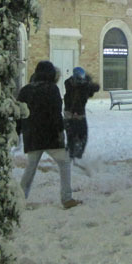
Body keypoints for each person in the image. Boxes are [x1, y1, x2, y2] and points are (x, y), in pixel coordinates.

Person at [17, 61, 81, 209]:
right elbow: (56, 112)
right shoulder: (51, 89)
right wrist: (60, 132)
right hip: (50, 135)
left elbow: (19, 113)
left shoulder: (25, 90)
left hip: (31, 135)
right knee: (64, 163)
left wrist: (18, 131)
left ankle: (19, 199)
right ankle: (66, 198)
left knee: (30, 167)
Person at [63, 66, 100, 175]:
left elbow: (95, 88)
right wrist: (88, 82)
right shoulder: (74, 86)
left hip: (74, 115)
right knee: (76, 137)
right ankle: (72, 158)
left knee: (78, 137)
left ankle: (73, 157)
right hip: (74, 116)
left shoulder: (78, 86)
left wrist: (88, 82)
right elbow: (94, 88)